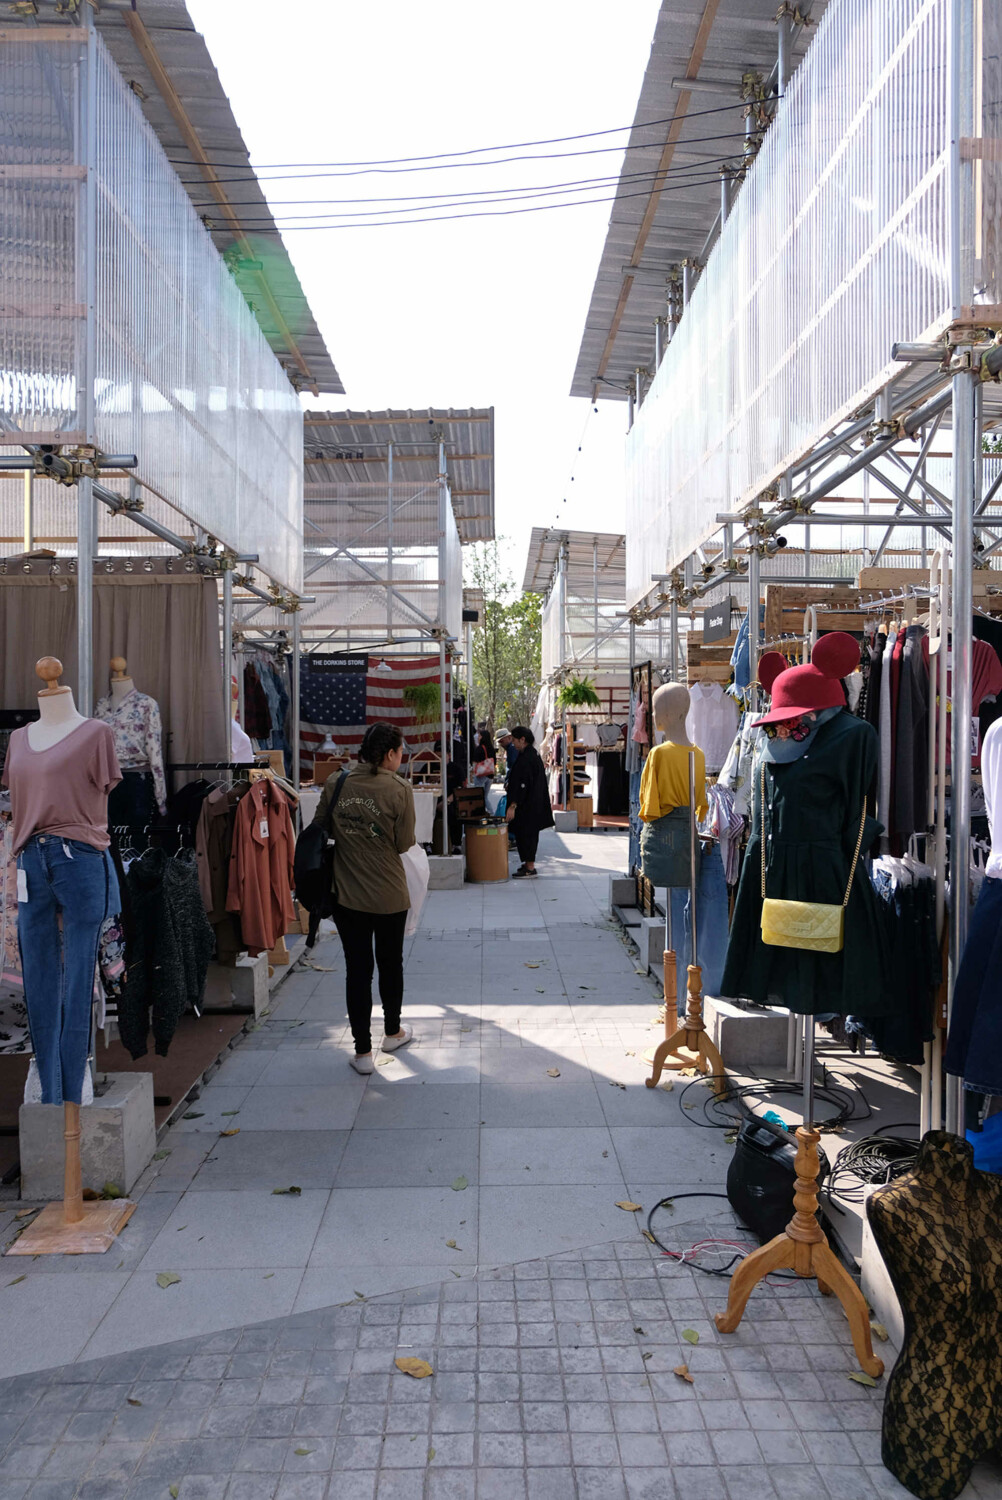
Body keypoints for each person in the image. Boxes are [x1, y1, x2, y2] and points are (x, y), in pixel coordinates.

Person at [313, 721, 416, 1074]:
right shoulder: (400, 789)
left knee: (357, 971)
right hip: (390, 895)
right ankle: (393, 1031)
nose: (401, 759)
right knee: (391, 964)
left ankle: (362, 1053)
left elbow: (319, 829)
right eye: (400, 752)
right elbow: (404, 843)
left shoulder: (336, 782)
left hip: (347, 895)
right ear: (389, 754)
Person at [504, 725, 554, 877]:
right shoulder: (529, 754)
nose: (513, 743)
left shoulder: (528, 757)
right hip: (530, 804)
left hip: (528, 805)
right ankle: (527, 864)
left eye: (514, 740)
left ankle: (530, 867)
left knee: (527, 835)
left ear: (522, 740)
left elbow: (523, 784)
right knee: (524, 834)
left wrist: (513, 805)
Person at [471, 721, 495, 788]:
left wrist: (473, 772)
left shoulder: (479, 748)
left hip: (480, 774)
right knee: (486, 795)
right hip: (490, 775)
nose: (478, 738)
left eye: (479, 736)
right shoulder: (492, 749)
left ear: (482, 737)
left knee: (480, 796)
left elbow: (475, 762)